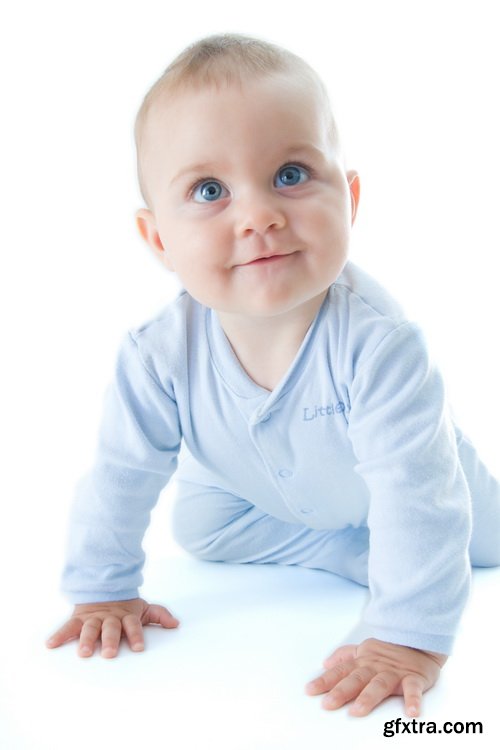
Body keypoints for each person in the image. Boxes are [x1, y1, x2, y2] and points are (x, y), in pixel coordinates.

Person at [46, 33, 500, 718]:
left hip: (419, 479)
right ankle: (352, 551)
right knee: (200, 525)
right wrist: (103, 587)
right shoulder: (156, 354)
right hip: (262, 487)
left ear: (348, 198)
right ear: (159, 239)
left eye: (290, 174)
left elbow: (418, 497)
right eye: (209, 190)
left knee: (475, 544)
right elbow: (120, 473)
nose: (258, 216)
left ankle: (393, 552)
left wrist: (405, 638)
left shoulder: (379, 345)